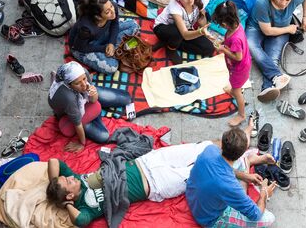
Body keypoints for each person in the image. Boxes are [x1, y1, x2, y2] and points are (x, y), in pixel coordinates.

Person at [46, 117, 274, 226]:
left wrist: (57, 185)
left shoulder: (76, 180)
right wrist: (66, 204)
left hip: (146, 162)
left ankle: (243, 153)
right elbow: (81, 221)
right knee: (200, 171)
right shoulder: (84, 207)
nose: (70, 177)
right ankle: (244, 154)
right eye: (67, 183)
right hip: (156, 184)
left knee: (203, 148)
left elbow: (54, 161)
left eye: (66, 177)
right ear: (69, 196)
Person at [186, 128, 277, 227]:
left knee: (239, 169)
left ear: (222, 143)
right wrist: (264, 193)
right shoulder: (230, 186)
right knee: (269, 218)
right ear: (240, 155)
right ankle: (248, 161)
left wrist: (245, 176)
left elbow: (220, 169)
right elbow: (256, 215)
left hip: (192, 196)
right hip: (208, 219)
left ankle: (249, 161)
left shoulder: (210, 149)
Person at [246, 0, 306, 102]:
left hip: (280, 31)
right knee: (250, 45)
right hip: (258, 28)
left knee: (273, 58)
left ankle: (267, 88)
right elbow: (267, 31)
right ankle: (277, 76)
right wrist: (288, 29)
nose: (283, 3)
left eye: (288, 0)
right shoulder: (262, 2)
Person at [48, 61, 130, 152]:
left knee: (126, 98)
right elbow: (77, 123)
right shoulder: (68, 98)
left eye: (84, 79)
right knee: (103, 136)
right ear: (69, 85)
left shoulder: (83, 72)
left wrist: (93, 94)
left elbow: (93, 100)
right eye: (77, 83)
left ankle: (94, 109)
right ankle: (94, 111)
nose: (83, 85)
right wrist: (81, 143)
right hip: (70, 111)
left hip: (82, 98)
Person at [69, 0, 139, 74]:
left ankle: (114, 51)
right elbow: (80, 47)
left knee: (134, 25)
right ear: (98, 17)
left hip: (102, 35)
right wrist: (104, 48)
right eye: (107, 12)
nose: (113, 11)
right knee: (112, 67)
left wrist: (111, 43)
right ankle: (115, 53)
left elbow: (114, 25)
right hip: (83, 47)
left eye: (111, 6)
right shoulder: (86, 28)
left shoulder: (112, 7)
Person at [153, 0, 215, 64]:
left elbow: (202, 22)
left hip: (185, 28)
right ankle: (171, 49)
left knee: (209, 48)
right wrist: (200, 32)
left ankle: (167, 42)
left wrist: (202, 22)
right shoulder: (174, 6)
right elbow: (185, 35)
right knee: (177, 33)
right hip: (164, 28)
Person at [212, 1, 252, 127]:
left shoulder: (236, 39)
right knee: (235, 86)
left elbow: (238, 57)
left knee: (237, 90)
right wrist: (223, 44)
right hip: (238, 66)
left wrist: (223, 49)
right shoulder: (236, 26)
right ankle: (235, 90)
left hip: (239, 68)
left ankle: (241, 114)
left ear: (224, 24)